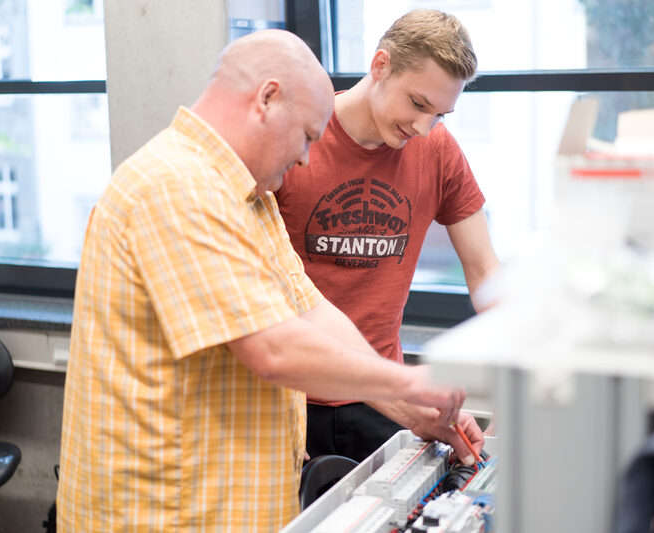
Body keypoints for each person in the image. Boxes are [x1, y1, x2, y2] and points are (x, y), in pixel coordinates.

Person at [57, 29, 481, 533]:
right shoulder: (176, 187)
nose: (305, 159)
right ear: (266, 99)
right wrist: (411, 380)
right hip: (165, 511)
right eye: (305, 135)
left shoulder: (249, 198)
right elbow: (274, 350)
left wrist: (412, 409)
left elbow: (311, 313)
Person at [276, 9, 501, 463]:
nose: (423, 127)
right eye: (418, 104)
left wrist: (520, 382)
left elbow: (484, 273)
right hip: (291, 403)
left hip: (386, 401)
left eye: (440, 114)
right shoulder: (298, 141)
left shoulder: (437, 150)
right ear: (380, 66)